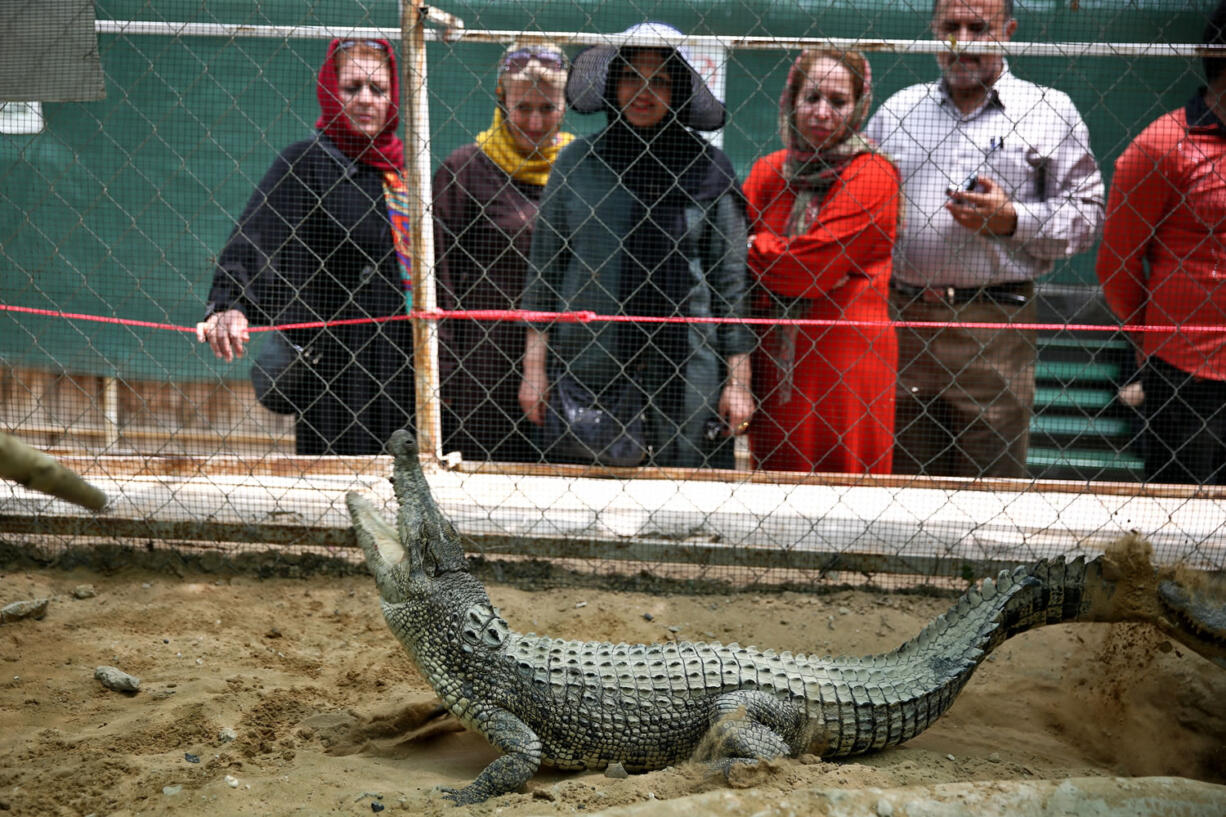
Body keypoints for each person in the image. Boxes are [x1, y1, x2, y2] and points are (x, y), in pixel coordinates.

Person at [865, 0, 1104, 478]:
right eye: (951, 27)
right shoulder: (897, 111)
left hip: (995, 324)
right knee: (901, 482)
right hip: (901, 321)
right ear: (934, 31)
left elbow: (1088, 216)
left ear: (1009, 31)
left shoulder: (1049, 111)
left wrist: (1012, 219)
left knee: (989, 489)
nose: (963, 41)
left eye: (980, 27)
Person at [520, 22, 754, 468]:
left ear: (679, 89)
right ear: (612, 83)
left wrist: (738, 382)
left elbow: (732, 287)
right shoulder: (576, 164)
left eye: (660, 80)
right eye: (631, 76)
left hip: (688, 375)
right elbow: (544, 274)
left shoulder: (710, 169)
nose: (643, 91)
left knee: (688, 515)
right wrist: (534, 372)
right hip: (590, 367)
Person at [197, 39, 415, 455]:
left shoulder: (402, 176)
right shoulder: (305, 163)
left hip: (397, 365)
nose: (366, 100)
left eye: (378, 89)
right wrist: (230, 303)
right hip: (333, 370)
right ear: (330, 91)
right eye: (352, 88)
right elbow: (254, 238)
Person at [744, 49, 900, 474]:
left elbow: (812, 268)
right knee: (775, 488)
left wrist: (754, 247)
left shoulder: (874, 174)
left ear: (859, 107)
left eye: (838, 100)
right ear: (792, 99)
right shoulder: (769, 172)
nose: (821, 112)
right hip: (773, 360)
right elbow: (729, 250)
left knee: (850, 492)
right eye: (811, 97)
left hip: (848, 362)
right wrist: (772, 254)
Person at [1095, 0, 1226, 484]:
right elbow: (1116, 266)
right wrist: (1151, 345)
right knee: (1180, 529)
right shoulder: (1161, 145)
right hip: (1186, 373)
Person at [433, 44, 572, 464]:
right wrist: (445, 372)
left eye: (547, 108)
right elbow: (439, 278)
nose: (534, 121)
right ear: (501, 100)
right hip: (483, 370)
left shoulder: (582, 167)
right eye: (522, 107)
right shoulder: (463, 170)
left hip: (569, 366)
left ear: (566, 105)